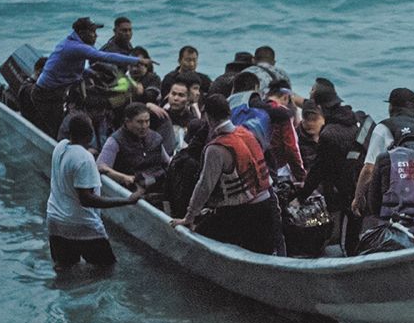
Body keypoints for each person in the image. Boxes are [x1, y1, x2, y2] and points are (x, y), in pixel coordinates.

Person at [173, 94, 282, 255]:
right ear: (229, 113)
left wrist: (189, 217)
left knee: (198, 237)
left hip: (240, 212)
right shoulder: (247, 133)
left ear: (207, 117)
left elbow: (204, 186)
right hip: (268, 204)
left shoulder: (216, 148)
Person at [47, 111, 144, 272]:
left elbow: (73, 158)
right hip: (81, 224)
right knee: (106, 270)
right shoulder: (85, 159)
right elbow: (87, 199)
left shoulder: (61, 146)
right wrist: (127, 200)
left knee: (64, 269)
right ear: (90, 135)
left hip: (55, 220)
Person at [297, 79, 371, 256]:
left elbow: (318, 170)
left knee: (348, 245)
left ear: (320, 107)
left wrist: (301, 196)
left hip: (345, 197)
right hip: (369, 190)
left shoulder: (329, 134)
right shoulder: (362, 120)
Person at [31, 17, 142, 134]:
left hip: (61, 90)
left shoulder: (80, 45)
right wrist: (136, 61)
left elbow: (83, 69)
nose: (96, 36)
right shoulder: (75, 47)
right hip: (46, 94)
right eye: (92, 32)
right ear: (81, 33)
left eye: (95, 32)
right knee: (55, 129)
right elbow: (103, 56)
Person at [353, 87, 414, 214]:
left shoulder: (384, 128)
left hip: (394, 202)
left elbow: (369, 169)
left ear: (391, 107)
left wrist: (358, 198)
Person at [98, 103, 171, 193]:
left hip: (157, 188)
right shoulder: (115, 141)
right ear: (128, 121)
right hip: (132, 191)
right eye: (139, 122)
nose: (144, 126)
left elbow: (167, 162)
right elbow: (101, 166)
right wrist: (123, 177)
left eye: (147, 121)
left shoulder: (156, 138)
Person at [297, 101, 324, 173]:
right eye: (306, 119)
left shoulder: (332, 135)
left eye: (314, 119)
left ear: (324, 119)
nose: (310, 123)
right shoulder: (296, 139)